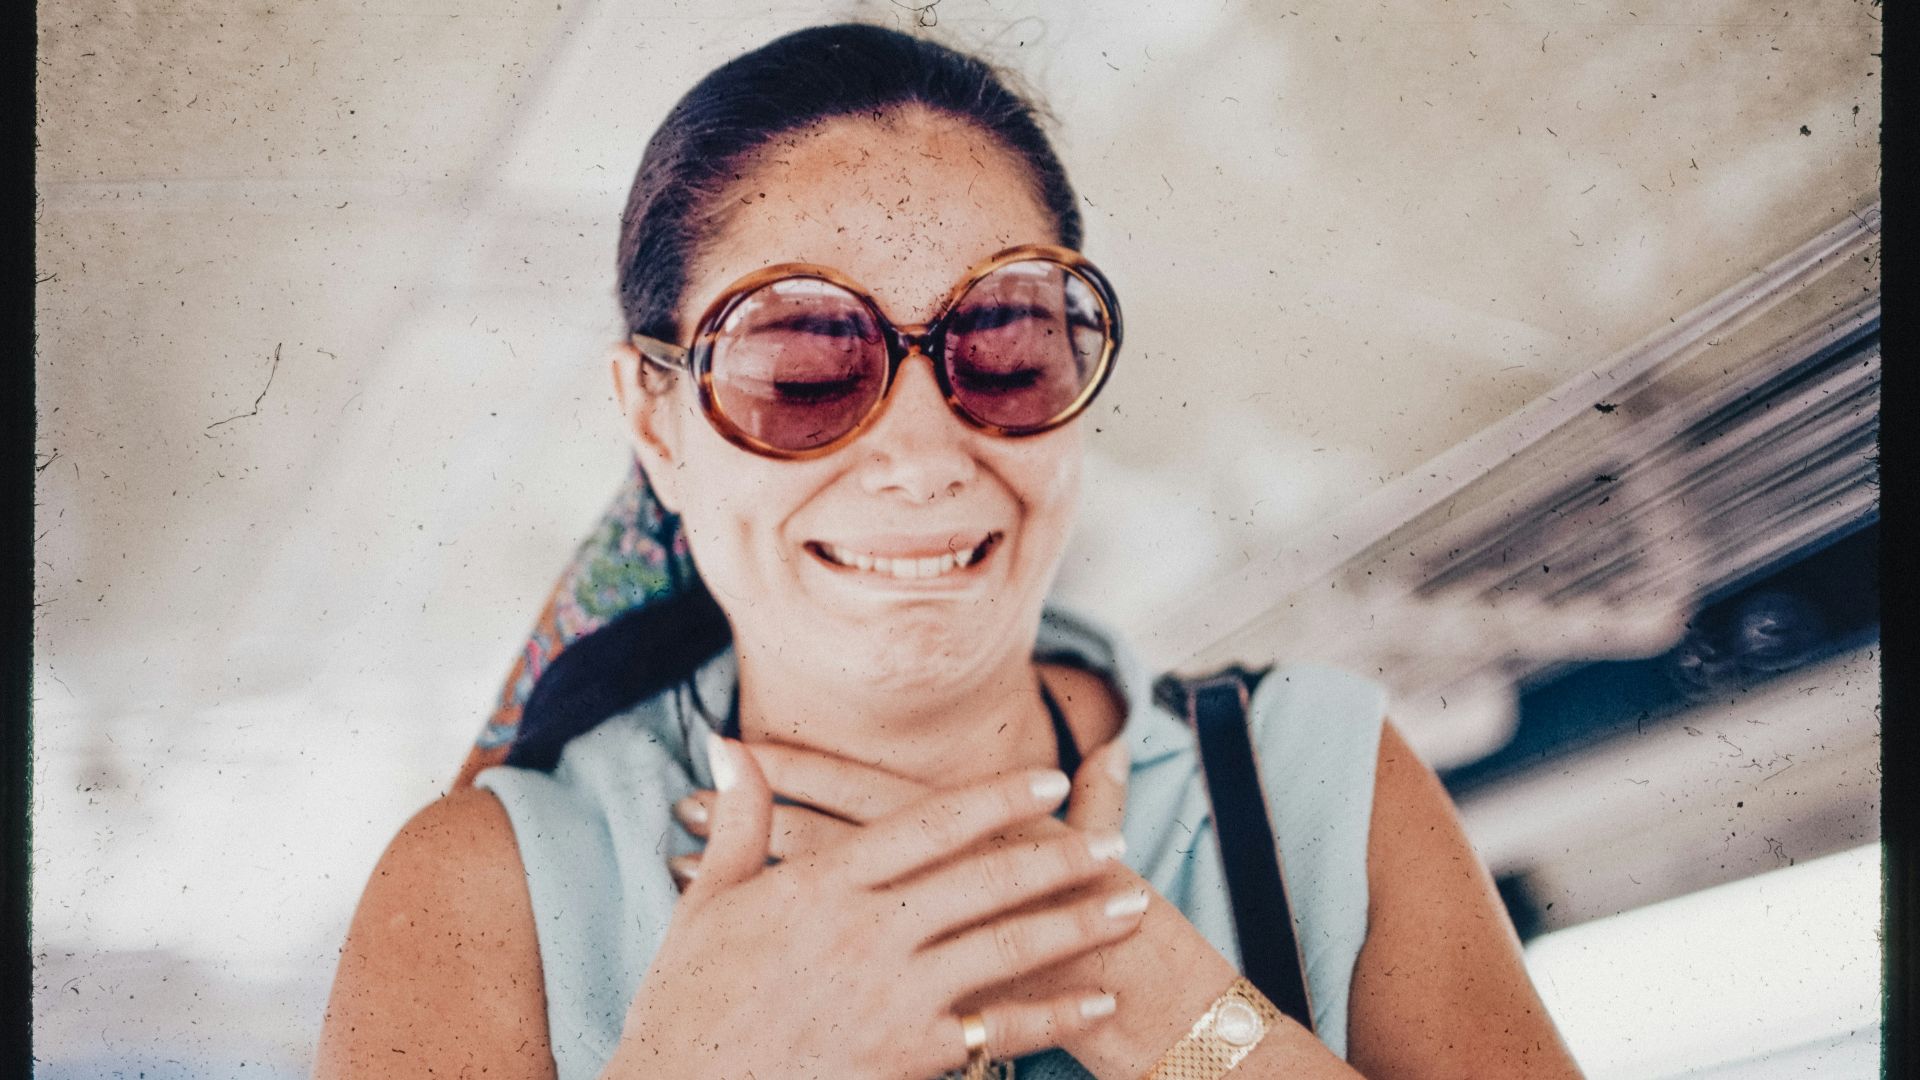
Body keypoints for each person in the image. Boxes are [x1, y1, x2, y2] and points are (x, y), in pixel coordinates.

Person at [316, 23, 1585, 1080]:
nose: (924, 456)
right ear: (655, 417)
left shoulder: (1315, 783)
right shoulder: (488, 895)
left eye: (1003, 346)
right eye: (806, 366)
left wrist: (1167, 1016)